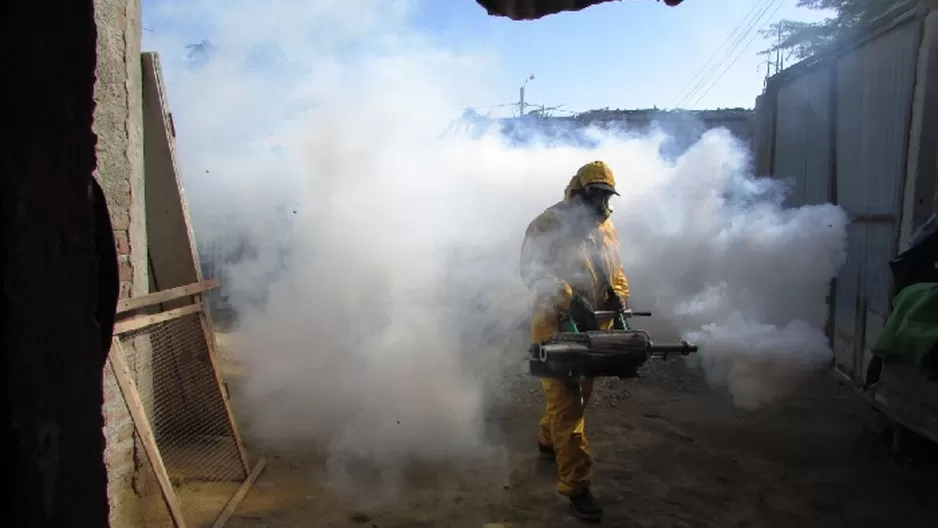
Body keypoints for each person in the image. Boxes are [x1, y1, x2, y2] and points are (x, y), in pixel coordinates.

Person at [519, 160, 630, 522]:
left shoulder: (605, 227)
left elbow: (616, 270)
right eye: (595, 195)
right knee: (569, 408)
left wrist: (618, 296)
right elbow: (532, 270)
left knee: (578, 397)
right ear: (579, 191)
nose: (601, 203)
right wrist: (569, 298)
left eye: (606, 196)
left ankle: (547, 442)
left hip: (594, 330)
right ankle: (577, 486)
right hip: (555, 327)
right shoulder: (550, 223)